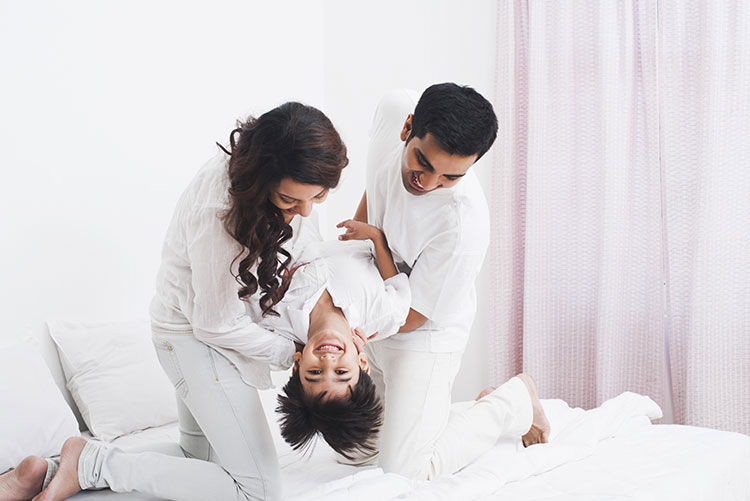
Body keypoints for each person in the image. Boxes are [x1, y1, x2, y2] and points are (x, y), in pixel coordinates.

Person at [0, 102, 348, 501]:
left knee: (195, 460)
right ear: (265, 176)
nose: (304, 211)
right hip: (194, 341)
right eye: (291, 200)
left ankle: (48, 472)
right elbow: (216, 324)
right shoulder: (220, 211)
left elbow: (307, 250)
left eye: (317, 197)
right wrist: (292, 353)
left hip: (189, 335)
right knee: (258, 491)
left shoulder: (267, 181)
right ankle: (90, 464)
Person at [336, 83, 551, 480]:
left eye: (449, 176)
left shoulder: (463, 224)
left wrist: (353, 332)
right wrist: (362, 237)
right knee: (353, 453)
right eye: (422, 162)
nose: (429, 182)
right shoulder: (391, 111)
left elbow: (415, 314)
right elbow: (376, 177)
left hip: (424, 332)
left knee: (406, 470)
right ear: (407, 128)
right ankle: (426, 419)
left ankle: (515, 400)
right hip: (377, 309)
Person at [266, 235, 410, 460]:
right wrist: (376, 238)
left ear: (297, 365)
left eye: (314, 372)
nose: (328, 360)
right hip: (365, 230)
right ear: (362, 363)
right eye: (341, 372)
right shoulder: (383, 315)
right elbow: (397, 285)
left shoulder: (276, 318)